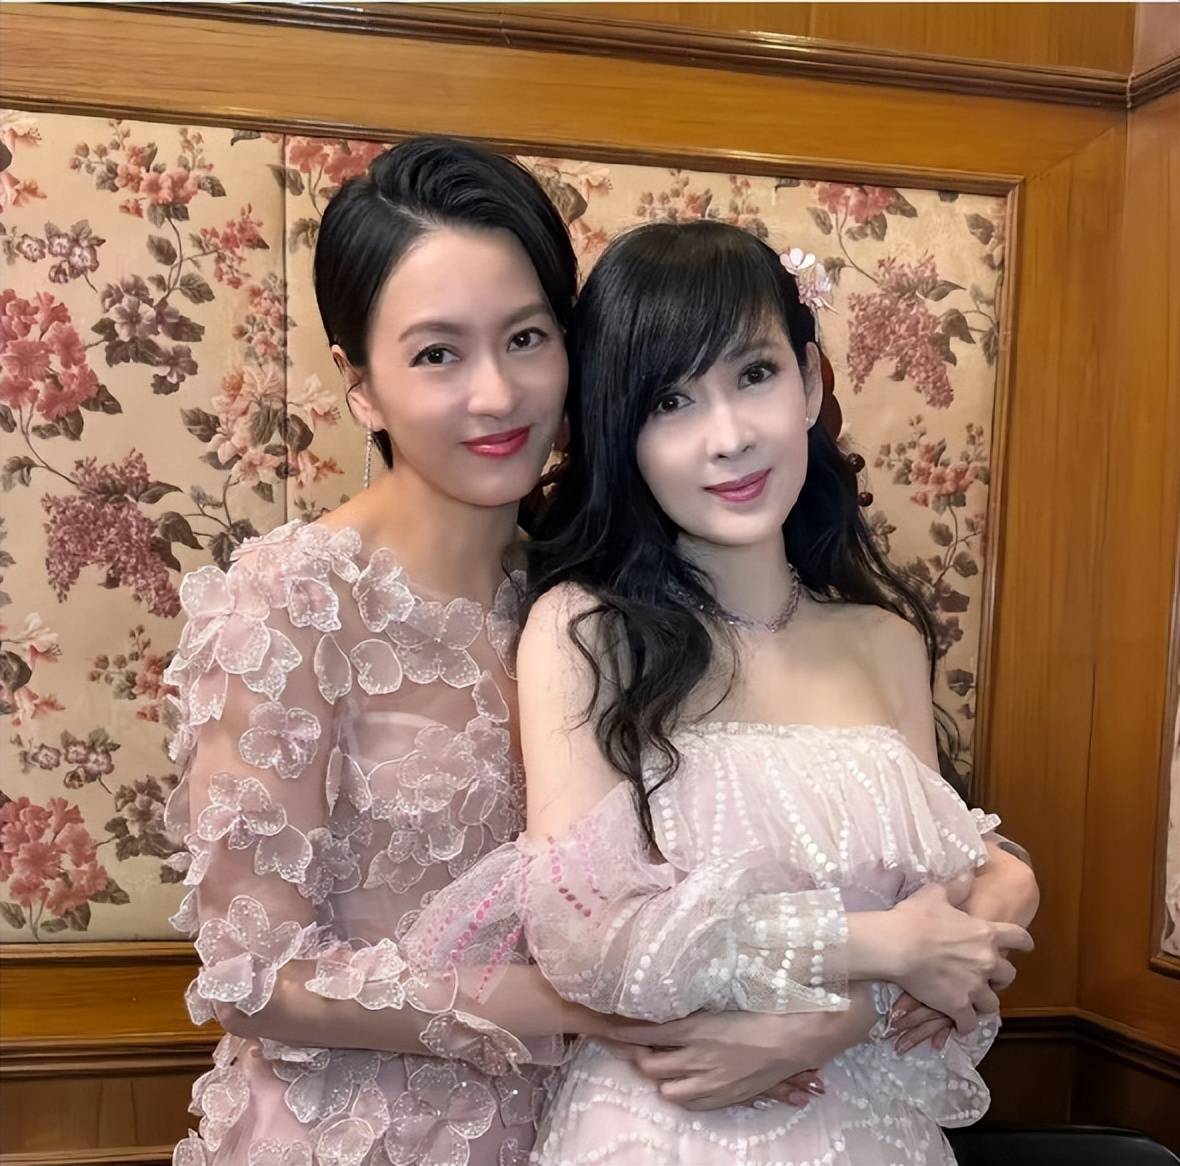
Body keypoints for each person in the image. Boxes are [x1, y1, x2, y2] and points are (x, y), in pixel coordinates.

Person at [166, 138, 906, 1166]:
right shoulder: (289, 605)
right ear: (360, 384)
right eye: (437, 354)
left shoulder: (602, 591)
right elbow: (259, 978)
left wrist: (996, 880)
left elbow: (793, 779)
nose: (496, 393)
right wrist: (594, 1004)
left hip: (597, 1126)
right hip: (352, 1137)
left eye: (525, 338)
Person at [408, 218, 1039, 1165]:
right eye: (671, 400)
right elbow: (586, 937)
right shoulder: (585, 632)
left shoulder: (887, 643)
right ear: (620, 434)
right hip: (659, 1132)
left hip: (872, 1128)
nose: (730, 437)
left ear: (810, 381)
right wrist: (881, 949)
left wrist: (836, 1018)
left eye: (755, 374)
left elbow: (950, 908)